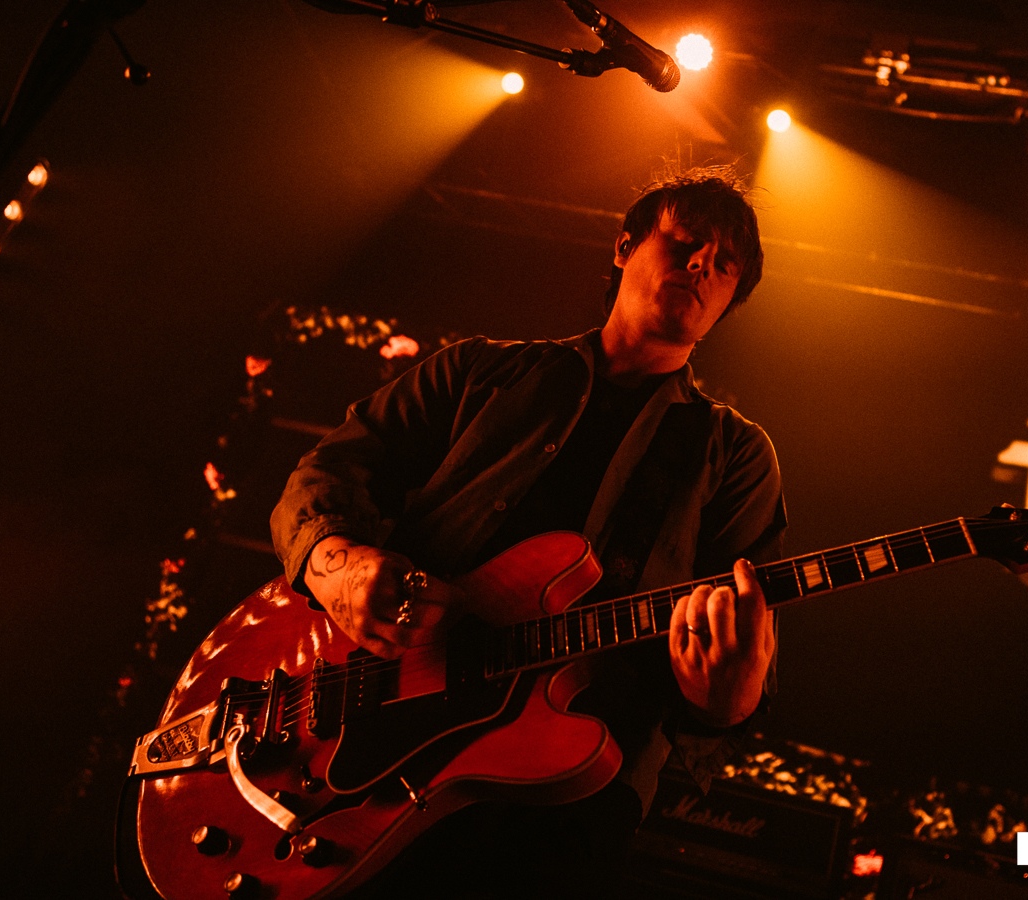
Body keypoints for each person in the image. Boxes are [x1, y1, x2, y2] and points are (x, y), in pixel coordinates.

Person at [269, 166, 787, 897]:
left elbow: (736, 657)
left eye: (725, 264)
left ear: (731, 299)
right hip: (364, 742)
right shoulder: (481, 373)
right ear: (622, 246)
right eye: (686, 242)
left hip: (557, 810)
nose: (703, 265)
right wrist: (338, 565)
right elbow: (333, 467)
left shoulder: (735, 457)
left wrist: (726, 700)